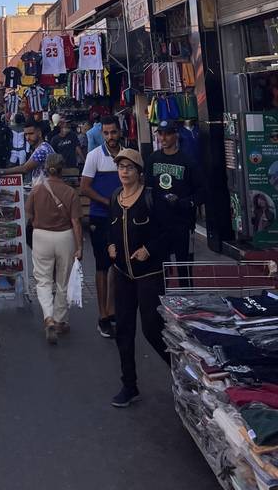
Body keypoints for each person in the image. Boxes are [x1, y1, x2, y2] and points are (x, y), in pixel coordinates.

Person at [107, 149, 170, 408]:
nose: (124, 172)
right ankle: (129, 384)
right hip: (123, 274)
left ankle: (182, 372)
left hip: (149, 275)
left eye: (129, 168)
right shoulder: (115, 198)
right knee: (123, 330)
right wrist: (110, 246)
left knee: (152, 328)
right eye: (121, 167)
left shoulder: (151, 198)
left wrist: (149, 250)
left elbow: (169, 233)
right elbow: (111, 230)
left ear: (139, 172)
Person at [25, 153, 83, 343]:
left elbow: (29, 214)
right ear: (62, 169)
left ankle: (48, 316)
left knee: (43, 280)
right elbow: (76, 222)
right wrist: (79, 246)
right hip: (64, 237)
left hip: (41, 236)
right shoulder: (70, 192)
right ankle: (60, 320)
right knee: (63, 281)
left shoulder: (36, 190)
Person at [80, 115, 122, 338]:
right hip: (100, 217)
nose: (110, 137)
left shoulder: (127, 155)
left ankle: (113, 309)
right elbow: (84, 187)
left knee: (117, 265)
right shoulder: (94, 156)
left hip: (122, 218)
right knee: (102, 267)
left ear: (119, 131)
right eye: (106, 133)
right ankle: (103, 315)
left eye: (113, 132)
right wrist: (109, 202)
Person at [144, 120, 205, 262]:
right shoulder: (153, 159)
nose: (163, 138)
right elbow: (148, 187)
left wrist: (185, 203)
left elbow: (202, 191)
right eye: (160, 134)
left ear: (176, 135)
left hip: (182, 222)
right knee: (161, 266)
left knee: (184, 265)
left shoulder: (187, 160)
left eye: (167, 134)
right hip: (159, 222)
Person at [21, 120, 55, 185]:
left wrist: (1, 172)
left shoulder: (42, 150)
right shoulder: (43, 147)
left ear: (39, 133)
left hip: (45, 190)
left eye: (31, 134)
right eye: (26, 134)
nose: (27, 138)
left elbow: (25, 168)